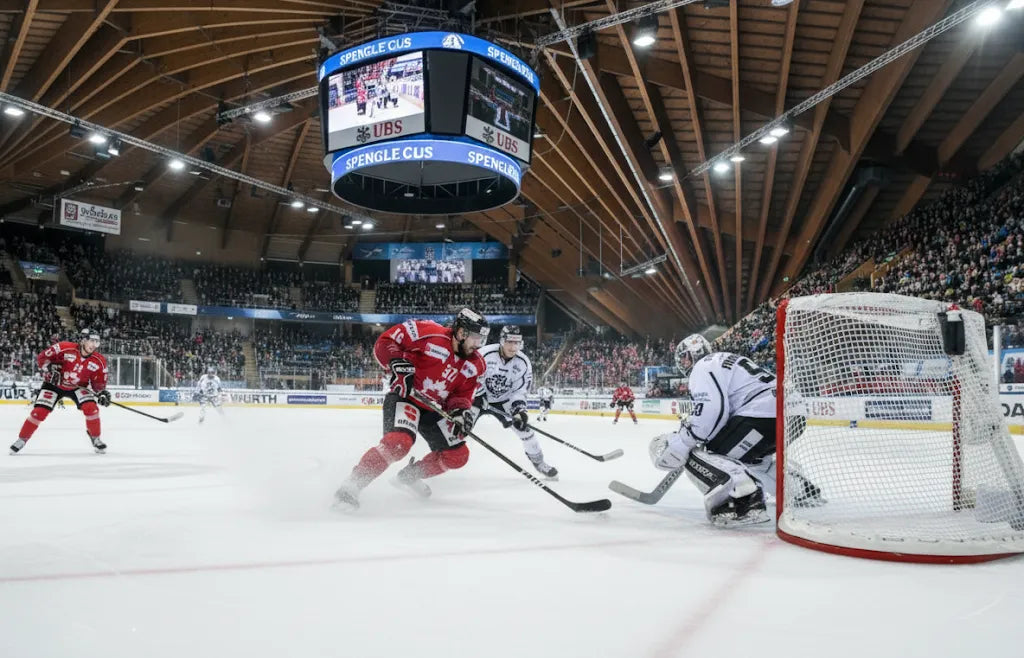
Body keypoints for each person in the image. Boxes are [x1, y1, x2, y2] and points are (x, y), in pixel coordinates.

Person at [646, 334, 821, 526]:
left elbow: (712, 411)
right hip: (792, 413)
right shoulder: (724, 359)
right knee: (748, 460)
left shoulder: (703, 366)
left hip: (765, 413)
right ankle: (798, 488)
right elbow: (722, 412)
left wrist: (684, 441)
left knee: (711, 455)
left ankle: (742, 503)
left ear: (690, 354)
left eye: (683, 358)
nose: (682, 363)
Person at [333, 308, 490, 510]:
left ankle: (409, 476)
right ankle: (350, 487)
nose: (478, 345)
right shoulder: (427, 332)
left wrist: (461, 412)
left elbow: (462, 395)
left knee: (458, 456)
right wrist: (396, 362)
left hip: (434, 409)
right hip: (407, 397)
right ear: (461, 333)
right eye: (475, 339)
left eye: (481, 340)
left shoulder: (477, 365)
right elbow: (386, 341)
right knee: (398, 443)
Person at [470, 326, 557, 479]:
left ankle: (539, 462)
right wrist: (477, 394)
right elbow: (470, 375)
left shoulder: (523, 363)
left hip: (504, 400)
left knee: (526, 432)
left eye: (517, 343)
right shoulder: (485, 353)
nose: (513, 347)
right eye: (510, 342)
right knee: (456, 430)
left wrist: (519, 410)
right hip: (478, 398)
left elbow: (520, 390)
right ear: (502, 341)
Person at [11, 330, 111, 455]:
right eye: (91, 340)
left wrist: (101, 392)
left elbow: (99, 384)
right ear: (83, 340)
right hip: (54, 384)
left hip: (79, 387)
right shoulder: (64, 347)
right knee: (38, 412)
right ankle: (22, 439)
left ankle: (95, 438)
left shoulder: (99, 361)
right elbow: (42, 358)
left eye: (97, 342)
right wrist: (49, 369)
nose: (94, 344)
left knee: (92, 408)